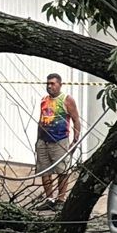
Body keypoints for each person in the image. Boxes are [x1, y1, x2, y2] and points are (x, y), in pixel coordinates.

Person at [36, 73, 81, 208]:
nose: (49, 86)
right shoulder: (44, 99)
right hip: (43, 141)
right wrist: (37, 139)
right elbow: (41, 119)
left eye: (53, 84)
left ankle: (61, 200)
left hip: (60, 140)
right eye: (48, 83)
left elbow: (76, 120)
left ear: (59, 85)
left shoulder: (66, 99)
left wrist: (75, 140)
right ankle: (49, 200)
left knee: (62, 170)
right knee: (44, 171)